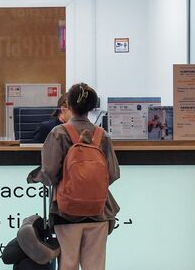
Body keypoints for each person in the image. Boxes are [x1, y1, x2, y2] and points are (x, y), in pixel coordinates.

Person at [41, 83, 120, 270]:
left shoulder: (58, 133)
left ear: (68, 104)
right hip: (99, 211)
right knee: (95, 266)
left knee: (68, 263)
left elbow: (49, 173)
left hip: (66, 211)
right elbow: (113, 173)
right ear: (92, 107)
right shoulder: (103, 136)